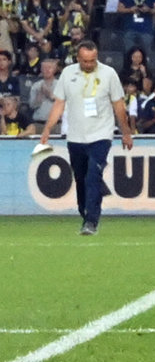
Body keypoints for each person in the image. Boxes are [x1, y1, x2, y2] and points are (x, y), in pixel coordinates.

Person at [37, 40, 136, 237]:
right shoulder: (68, 74)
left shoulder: (109, 74)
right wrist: (48, 129)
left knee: (93, 175)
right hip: (75, 135)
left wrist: (126, 132)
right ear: (78, 58)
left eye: (92, 60)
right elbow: (59, 104)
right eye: (85, 61)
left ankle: (92, 220)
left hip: (101, 134)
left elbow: (118, 106)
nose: (89, 64)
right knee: (81, 178)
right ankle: (84, 212)